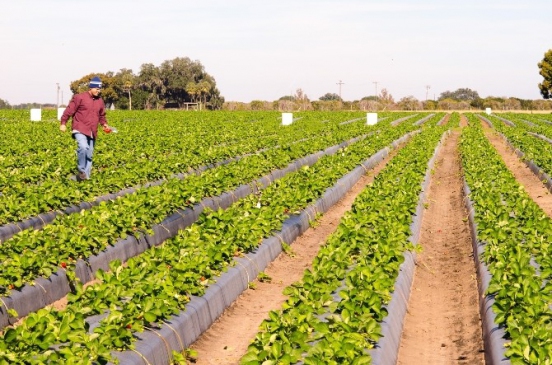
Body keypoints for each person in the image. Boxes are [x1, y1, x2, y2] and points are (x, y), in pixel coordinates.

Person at [60, 76, 111, 181]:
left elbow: (102, 115)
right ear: (91, 88)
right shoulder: (80, 97)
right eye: (97, 89)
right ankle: (81, 170)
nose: (99, 91)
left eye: (100, 89)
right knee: (83, 147)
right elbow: (69, 110)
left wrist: (104, 124)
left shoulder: (100, 101)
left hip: (92, 130)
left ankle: (85, 179)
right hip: (80, 128)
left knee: (89, 155)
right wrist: (63, 123)